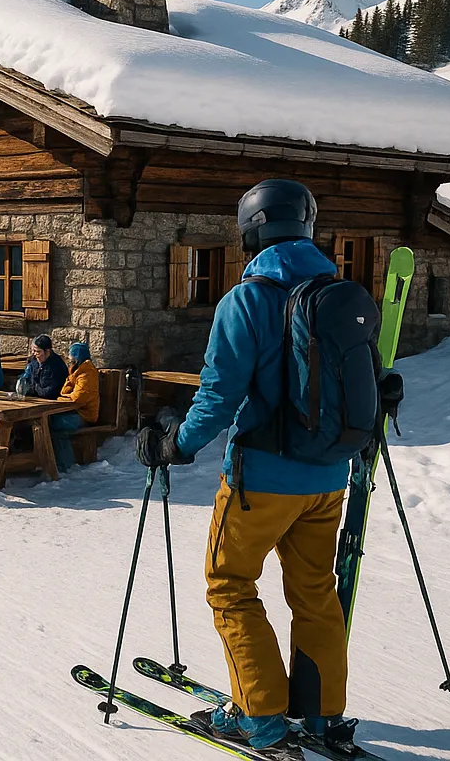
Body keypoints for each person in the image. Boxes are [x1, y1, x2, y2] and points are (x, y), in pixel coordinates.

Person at [136, 178, 355, 760]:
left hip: (262, 479)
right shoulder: (337, 292)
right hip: (330, 477)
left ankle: (259, 717)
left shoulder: (249, 297)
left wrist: (177, 445)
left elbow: (219, 394)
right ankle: (324, 714)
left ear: (251, 229)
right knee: (315, 592)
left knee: (230, 585)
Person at [49, 342, 99, 470]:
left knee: (57, 425)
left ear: (77, 359)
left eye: (71, 359)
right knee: (48, 420)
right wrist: (70, 380)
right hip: (75, 411)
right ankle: (54, 462)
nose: (69, 361)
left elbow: (77, 399)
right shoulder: (76, 373)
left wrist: (61, 398)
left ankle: (66, 465)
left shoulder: (87, 374)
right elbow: (64, 392)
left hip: (85, 415)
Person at [22, 335, 68, 399]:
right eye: (33, 350)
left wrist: (35, 386)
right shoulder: (33, 360)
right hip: (34, 397)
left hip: (51, 400)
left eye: (38, 351)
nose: (34, 354)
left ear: (47, 351)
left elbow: (48, 391)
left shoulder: (56, 366)